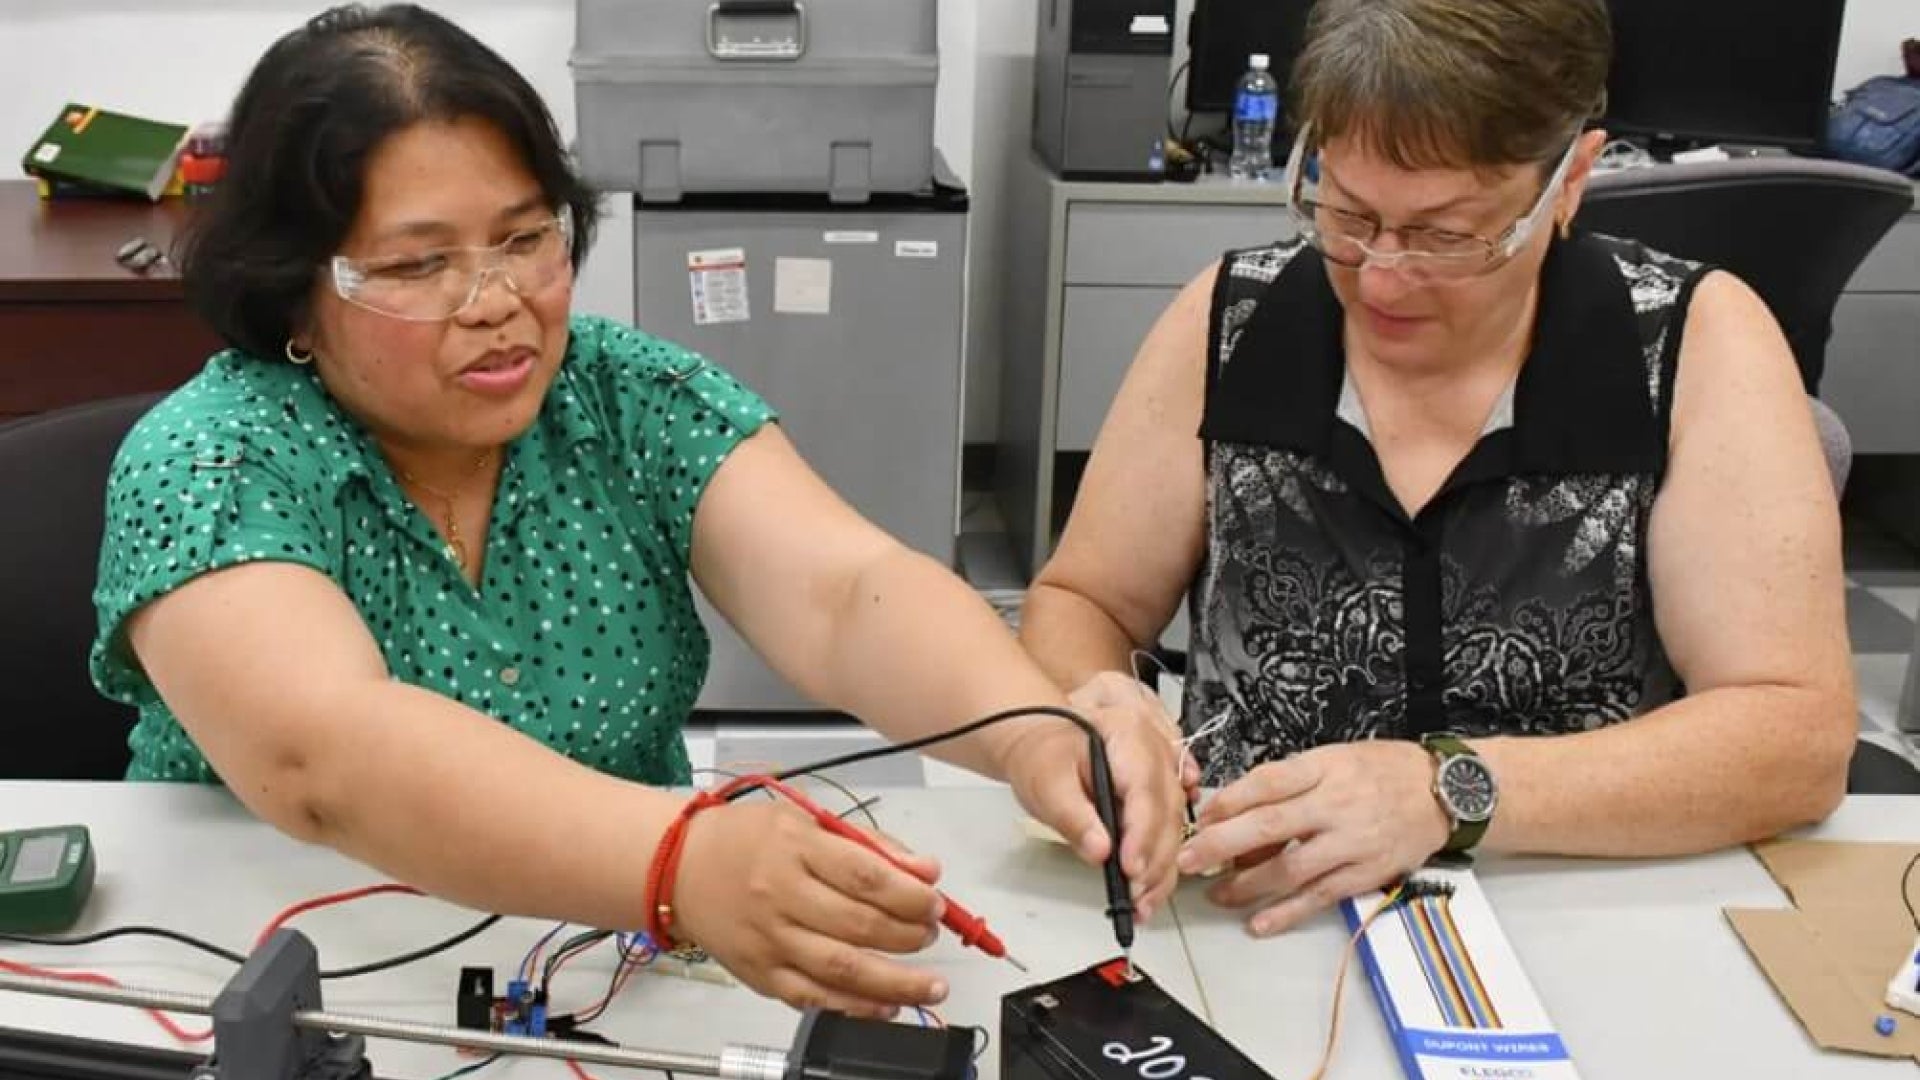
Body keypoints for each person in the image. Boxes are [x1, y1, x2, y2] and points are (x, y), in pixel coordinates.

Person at [89, 4, 1185, 1017]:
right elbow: (329, 755)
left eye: (525, 240)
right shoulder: (215, 457)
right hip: (263, 964)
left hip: (604, 966)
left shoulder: (623, 395)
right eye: (420, 265)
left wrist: (1036, 733)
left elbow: (849, 593)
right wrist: (683, 861)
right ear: (292, 288)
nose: (498, 305)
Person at [1020, 0, 1856, 939]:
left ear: (1571, 179)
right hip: (1251, 912)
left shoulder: (1693, 344)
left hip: (1581, 905)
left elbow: (1794, 737)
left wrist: (1453, 789)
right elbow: (1084, 600)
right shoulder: (1231, 323)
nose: (1379, 276)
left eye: (1447, 235)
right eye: (1345, 210)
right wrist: (1099, 710)